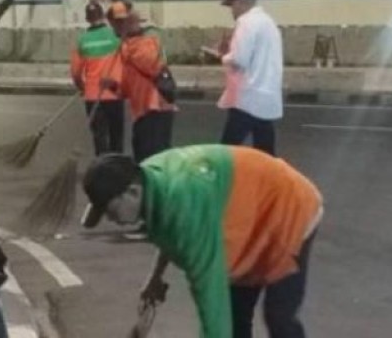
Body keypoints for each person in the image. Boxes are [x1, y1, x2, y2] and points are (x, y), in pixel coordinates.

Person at [81, 145, 323, 338]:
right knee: (236, 315)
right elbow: (165, 229)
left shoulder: (186, 209)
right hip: (246, 215)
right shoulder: (147, 178)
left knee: (278, 317)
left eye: (110, 210)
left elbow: (211, 303)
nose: (109, 219)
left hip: (288, 208)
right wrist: (155, 278)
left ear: (132, 192)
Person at [215, 0, 284, 156]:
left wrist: (223, 56)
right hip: (267, 97)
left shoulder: (246, 22)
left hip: (247, 98)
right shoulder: (269, 22)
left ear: (239, 0)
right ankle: (271, 182)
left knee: (226, 152)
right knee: (266, 154)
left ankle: (222, 182)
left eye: (232, 5)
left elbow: (240, 59)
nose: (232, 11)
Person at [109, 4, 176, 164]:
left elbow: (153, 66)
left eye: (116, 24)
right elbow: (127, 85)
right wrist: (114, 87)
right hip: (142, 112)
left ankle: (158, 188)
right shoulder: (128, 47)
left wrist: (128, 44)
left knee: (154, 160)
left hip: (156, 108)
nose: (114, 29)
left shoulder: (146, 42)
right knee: (142, 156)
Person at [69, 0, 123, 155]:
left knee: (99, 137)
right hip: (114, 93)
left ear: (87, 19)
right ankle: (117, 168)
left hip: (92, 96)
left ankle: (102, 171)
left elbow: (76, 72)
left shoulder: (82, 41)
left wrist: (82, 87)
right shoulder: (115, 36)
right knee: (116, 136)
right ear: (103, 16)